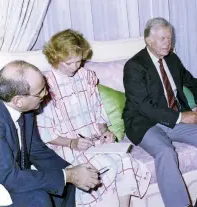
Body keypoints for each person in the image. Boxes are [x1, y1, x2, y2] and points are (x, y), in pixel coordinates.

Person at [36, 29, 151, 207]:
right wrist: (72, 143)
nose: (75, 67)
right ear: (55, 58)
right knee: (105, 167)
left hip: (94, 141)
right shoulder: (45, 85)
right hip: (66, 147)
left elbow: (98, 112)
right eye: (69, 63)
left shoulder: (86, 77)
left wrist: (105, 132)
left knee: (126, 160)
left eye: (79, 61)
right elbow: (45, 133)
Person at [123, 17, 197, 207]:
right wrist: (180, 116)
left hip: (174, 120)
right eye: (162, 39)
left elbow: (192, 82)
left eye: (169, 38)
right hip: (144, 122)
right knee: (165, 151)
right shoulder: (134, 66)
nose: (168, 43)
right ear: (148, 40)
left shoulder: (172, 59)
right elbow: (143, 106)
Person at [0, 60, 101, 207]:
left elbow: (36, 150)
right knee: (39, 198)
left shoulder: (26, 111)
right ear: (18, 101)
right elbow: (8, 177)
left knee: (64, 185)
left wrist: (72, 170)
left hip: (11, 176)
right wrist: (69, 175)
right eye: (40, 92)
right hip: (2, 185)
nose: (46, 93)